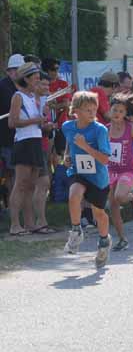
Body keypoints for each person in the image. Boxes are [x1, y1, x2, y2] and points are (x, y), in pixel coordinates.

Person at [62, 91, 112, 268]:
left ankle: (104, 241)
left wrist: (84, 146)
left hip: (98, 177)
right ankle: (76, 230)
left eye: (94, 109)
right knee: (74, 195)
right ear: (76, 110)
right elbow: (69, 142)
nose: (92, 113)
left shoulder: (100, 130)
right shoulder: (67, 126)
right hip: (78, 171)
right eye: (87, 110)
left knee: (99, 214)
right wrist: (67, 155)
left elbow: (105, 159)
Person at [7, 63, 49, 235]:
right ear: (26, 79)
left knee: (31, 185)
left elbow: (36, 121)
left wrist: (44, 124)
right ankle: (15, 225)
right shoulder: (18, 96)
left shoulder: (32, 97)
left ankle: (30, 223)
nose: (38, 81)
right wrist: (35, 121)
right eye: (36, 78)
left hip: (35, 141)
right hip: (23, 143)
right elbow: (12, 122)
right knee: (20, 184)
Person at [106, 93, 133, 251]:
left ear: (126, 114)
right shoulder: (104, 130)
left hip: (127, 169)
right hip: (111, 169)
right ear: (109, 111)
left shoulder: (131, 129)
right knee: (113, 204)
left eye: (121, 111)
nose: (117, 113)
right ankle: (122, 239)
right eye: (115, 110)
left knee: (120, 196)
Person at [32, 71, 57, 234]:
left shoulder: (43, 101)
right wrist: (45, 126)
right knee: (41, 183)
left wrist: (49, 127)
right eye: (43, 84)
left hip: (43, 144)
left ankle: (39, 221)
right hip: (35, 145)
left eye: (49, 84)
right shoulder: (32, 101)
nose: (47, 87)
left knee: (41, 184)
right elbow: (32, 124)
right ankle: (39, 222)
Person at [0, 54, 25, 196]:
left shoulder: (25, 85)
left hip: (22, 136)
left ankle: (18, 203)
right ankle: (11, 203)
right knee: (9, 172)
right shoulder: (2, 86)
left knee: (21, 173)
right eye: (13, 69)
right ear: (8, 71)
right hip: (6, 137)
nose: (16, 72)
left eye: (19, 69)